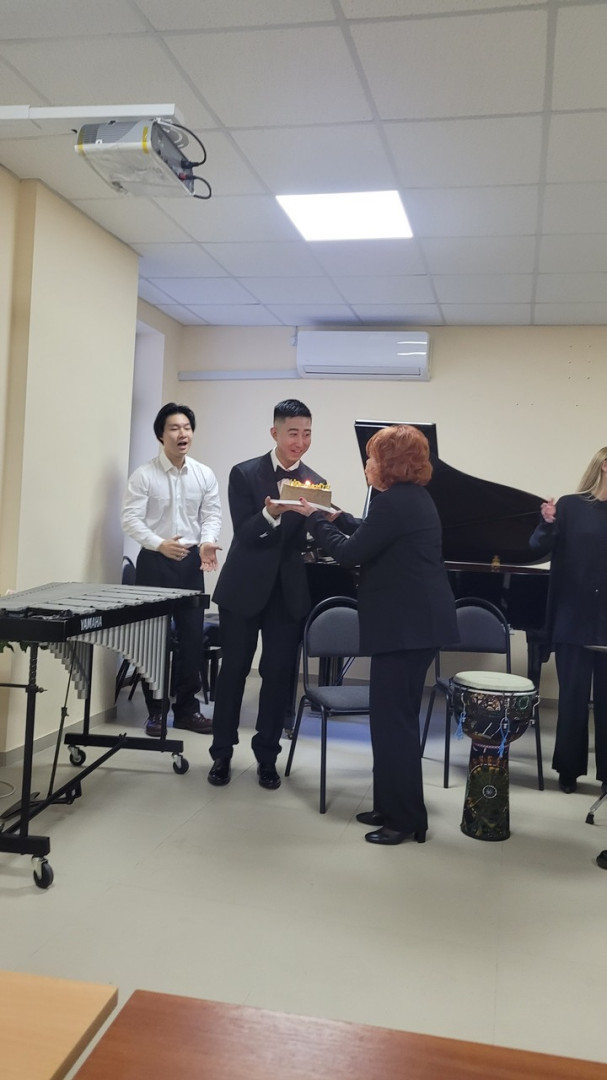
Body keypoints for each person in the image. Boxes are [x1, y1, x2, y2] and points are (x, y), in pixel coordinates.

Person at [293, 425, 457, 846]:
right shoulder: (410, 499)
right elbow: (369, 530)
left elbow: (349, 553)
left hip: (406, 629)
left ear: (390, 464)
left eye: (372, 458)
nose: (367, 465)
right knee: (389, 721)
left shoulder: (395, 503)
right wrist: (339, 518)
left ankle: (405, 819)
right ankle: (388, 805)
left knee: (394, 724)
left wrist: (315, 519)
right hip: (413, 627)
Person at [208, 399, 327, 790]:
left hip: (287, 594)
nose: (300, 441)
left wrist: (326, 522)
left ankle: (267, 757)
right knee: (233, 673)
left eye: (307, 433)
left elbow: (311, 537)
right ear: (275, 433)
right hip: (243, 589)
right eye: (293, 433)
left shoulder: (315, 482)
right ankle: (221, 754)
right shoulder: (244, 473)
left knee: (278, 677)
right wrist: (271, 513)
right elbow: (244, 533)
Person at [121, 403, 222, 737]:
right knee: (154, 639)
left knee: (192, 639)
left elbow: (212, 514)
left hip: (191, 563)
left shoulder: (203, 474)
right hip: (155, 562)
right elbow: (130, 519)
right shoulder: (144, 475)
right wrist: (159, 543)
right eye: (175, 428)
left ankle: (187, 710)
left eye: (187, 428)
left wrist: (207, 542)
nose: (183, 434)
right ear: (161, 435)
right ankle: (156, 711)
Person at [529, 447, 607, 794]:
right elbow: (538, 546)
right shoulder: (572, 507)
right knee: (573, 698)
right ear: (605, 465)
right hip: (574, 617)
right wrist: (546, 522)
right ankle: (568, 770)